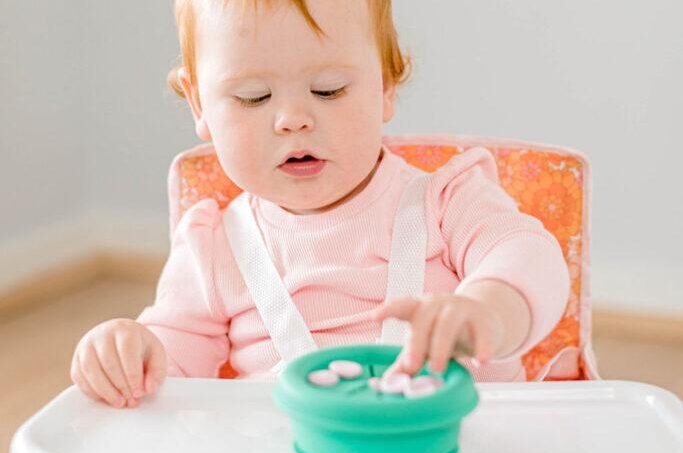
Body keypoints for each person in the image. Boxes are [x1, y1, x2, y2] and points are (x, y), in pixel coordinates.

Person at [70, 0, 570, 409]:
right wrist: (130, 353)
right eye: (252, 96)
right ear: (199, 105)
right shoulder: (212, 246)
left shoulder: (448, 199)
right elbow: (172, 373)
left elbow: (529, 253)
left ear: (387, 85)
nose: (292, 119)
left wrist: (490, 309)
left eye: (328, 90)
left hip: (463, 446)